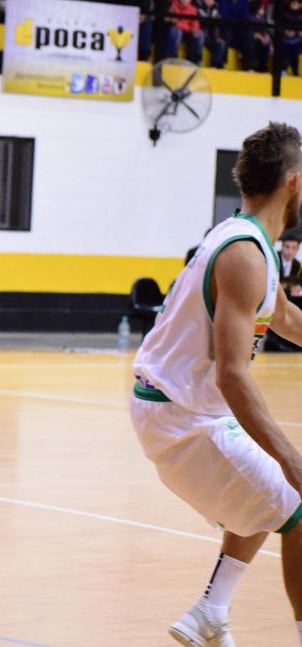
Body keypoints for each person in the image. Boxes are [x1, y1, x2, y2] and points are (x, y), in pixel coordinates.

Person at [131, 122, 302, 646]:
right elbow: (231, 374)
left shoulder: (248, 239)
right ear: (294, 183)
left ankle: (210, 611)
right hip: (182, 417)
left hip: (184, 406)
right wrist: (289, 457)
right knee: (293, 501)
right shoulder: (244, 254)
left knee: (262, 496)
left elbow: (283, 316)